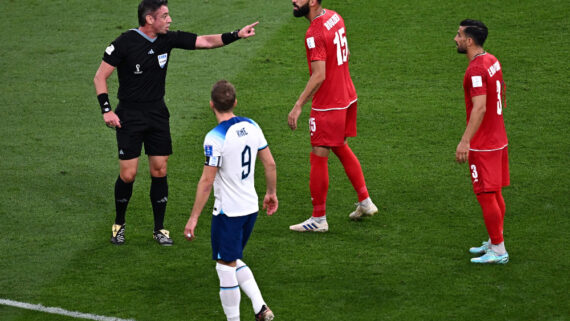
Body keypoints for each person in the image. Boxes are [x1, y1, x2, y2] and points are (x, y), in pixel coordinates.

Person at [93, 0, 259, 246]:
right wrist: (106, 111)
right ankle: (119, 224)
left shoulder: (167, 39)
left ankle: (159, 229)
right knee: (128, 175)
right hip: (129, 115)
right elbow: (100, 76)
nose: (169, 20)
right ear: (150, 19)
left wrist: (236, 34)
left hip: (157, 114)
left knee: (159, 169)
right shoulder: (124, 43)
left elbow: (204, 41)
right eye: (165, 15)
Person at [184, 81, 278, 321]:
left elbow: (207, 181)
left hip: (228, 212)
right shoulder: (252, 125)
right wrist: (271, 192)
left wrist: (193, 217)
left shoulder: (215, 138)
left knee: (225, 266)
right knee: (232, 258)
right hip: (251, 208)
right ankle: (260, 308)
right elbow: (270, 163)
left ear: (211, 105)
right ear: (235, 102)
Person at [288, 0, 377, 232]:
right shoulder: (335, 17)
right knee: (339, 146)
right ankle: (365, 201)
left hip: (328, 103)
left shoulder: (314, 32)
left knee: (319, 154)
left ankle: (318, 219)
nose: (293, 1)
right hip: (347, 95)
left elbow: (319, 75)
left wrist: (298, 105)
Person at [454, 19, 510, 264]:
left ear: (469, 41)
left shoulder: (476, 69)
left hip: (483, 142)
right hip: (499, 137)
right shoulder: (492, 60)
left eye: (459, 35)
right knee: (495, 192)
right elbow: (500, 94)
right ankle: (495, 239)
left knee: (486, 195)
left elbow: (479, 107)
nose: (455, 39)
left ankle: (498, 250)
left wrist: (465, 141)